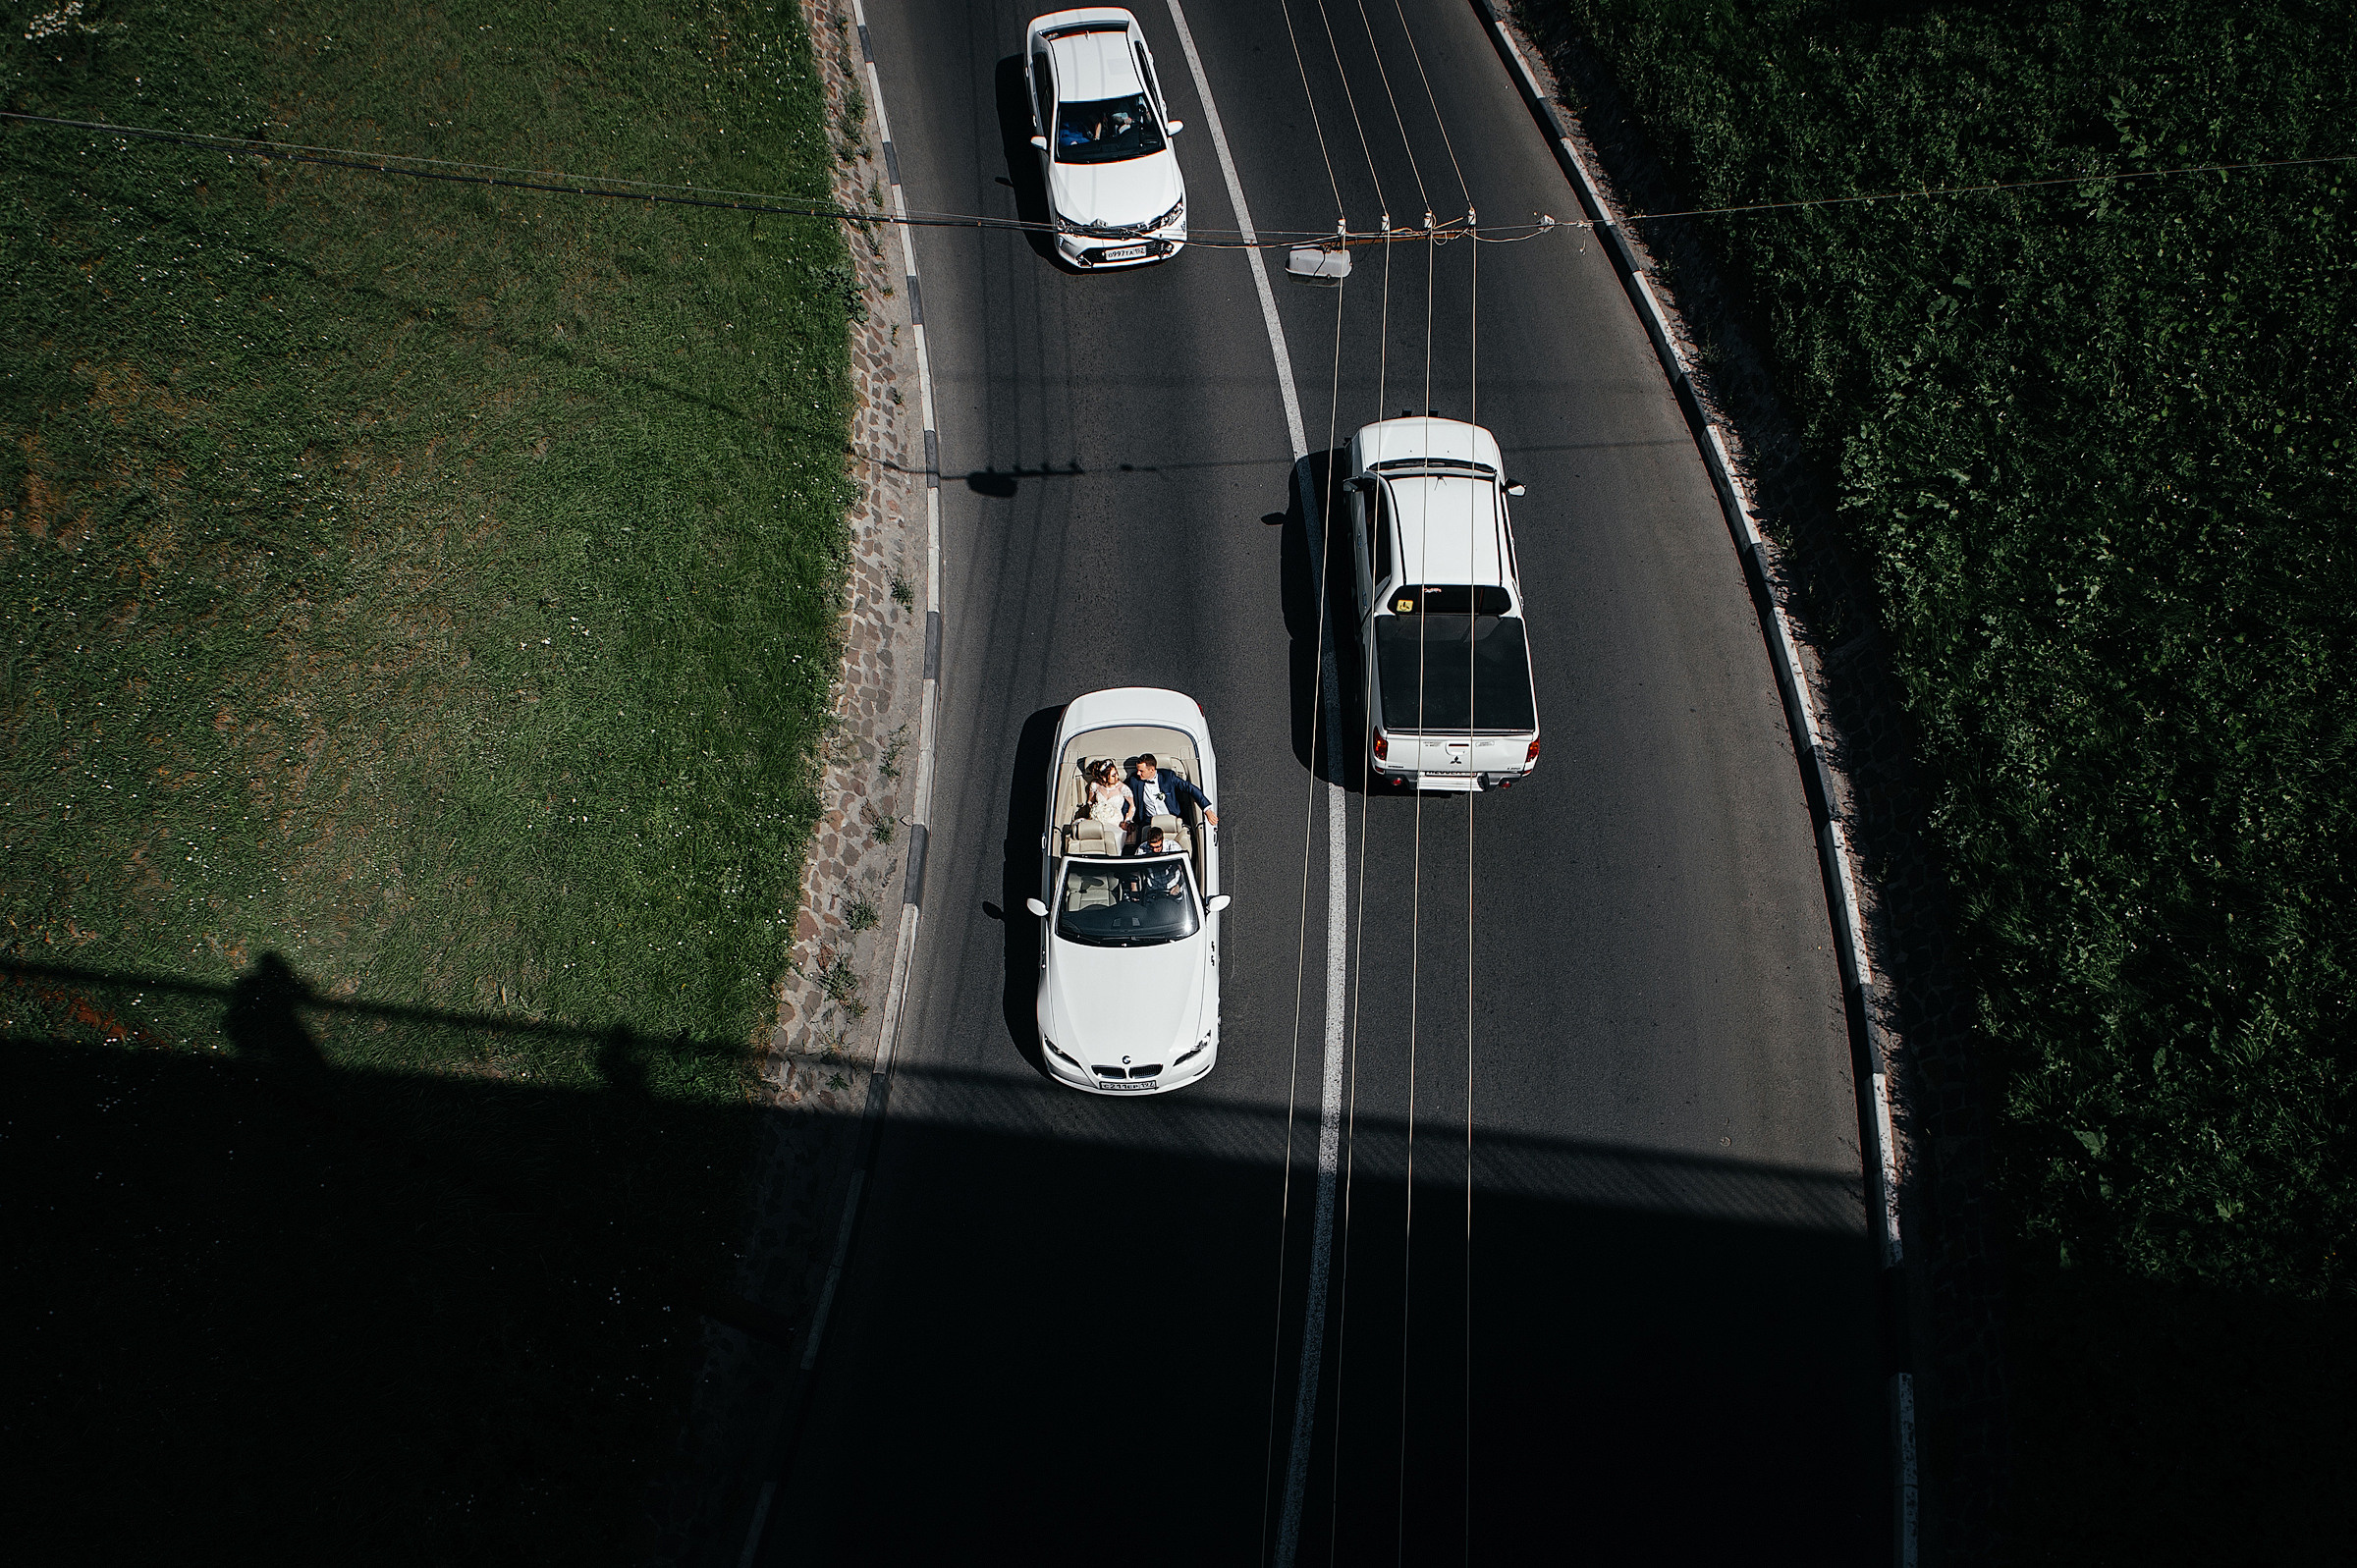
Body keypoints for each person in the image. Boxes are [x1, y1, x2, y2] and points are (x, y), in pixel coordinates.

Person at [1127, 752, 1216, 848]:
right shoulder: (1134, 780)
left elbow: (1190, 788)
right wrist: (1127, 821)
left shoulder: (1168, 776)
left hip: (1172, 818)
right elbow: (1124, 797)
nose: (1138, 773)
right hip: (1149, 821)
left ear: (1152, 769)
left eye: (1141, 771)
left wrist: (1207, 809)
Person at [1084, 758, 1132, 849]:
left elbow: (1132, 806)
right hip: (1098, 821)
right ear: (1104, 777)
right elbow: (1090, 802)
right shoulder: (1095, 785)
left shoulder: (1122, 788)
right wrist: (1095, 811)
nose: (1117, 777)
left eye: (1117, 773)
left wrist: (1127, 821)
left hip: (1116, 823)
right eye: (1113, 775)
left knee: (1113, 840)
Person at [1132, 826, 1185, 896]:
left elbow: (1184, 870)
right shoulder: (1142, 849)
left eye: (1157, 847)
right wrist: (1134, 890)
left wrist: (1178, 885)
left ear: (1162, 840)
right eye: (1152, 847)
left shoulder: (1174, 847)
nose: (1154, 850)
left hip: (1174, 888)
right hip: (1153, 890)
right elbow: (1135, 871)